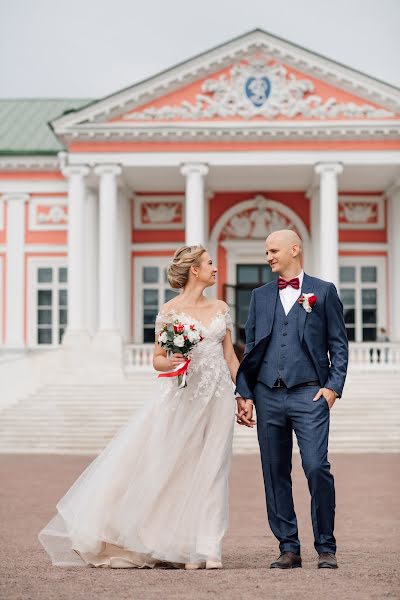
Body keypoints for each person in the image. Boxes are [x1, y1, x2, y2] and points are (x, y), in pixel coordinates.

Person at [39, 245, 243, 570]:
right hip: (182, 399)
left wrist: (243, 394)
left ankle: (210, 547)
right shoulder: (170, 311)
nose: (214, 267)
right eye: (208, 263)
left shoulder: (220, 307)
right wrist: (173, 361)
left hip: (218, 397)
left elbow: (231, 357)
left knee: (215, 468)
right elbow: (158, 361)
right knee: (178, 469)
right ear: (194, 270)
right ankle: (182, 546)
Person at [235, 230, 348, 570]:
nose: (268, 256)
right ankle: (289, 547)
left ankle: (326, 547)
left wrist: (332, 387)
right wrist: (246, 392)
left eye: (273, 250)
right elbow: (252, 346)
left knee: (316, 467)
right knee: (274, 471)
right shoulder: (260, 296)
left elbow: (338, 344)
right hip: (268, 394)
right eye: (266, 251)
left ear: (294, 250)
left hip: (309, 393)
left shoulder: (323, 291)